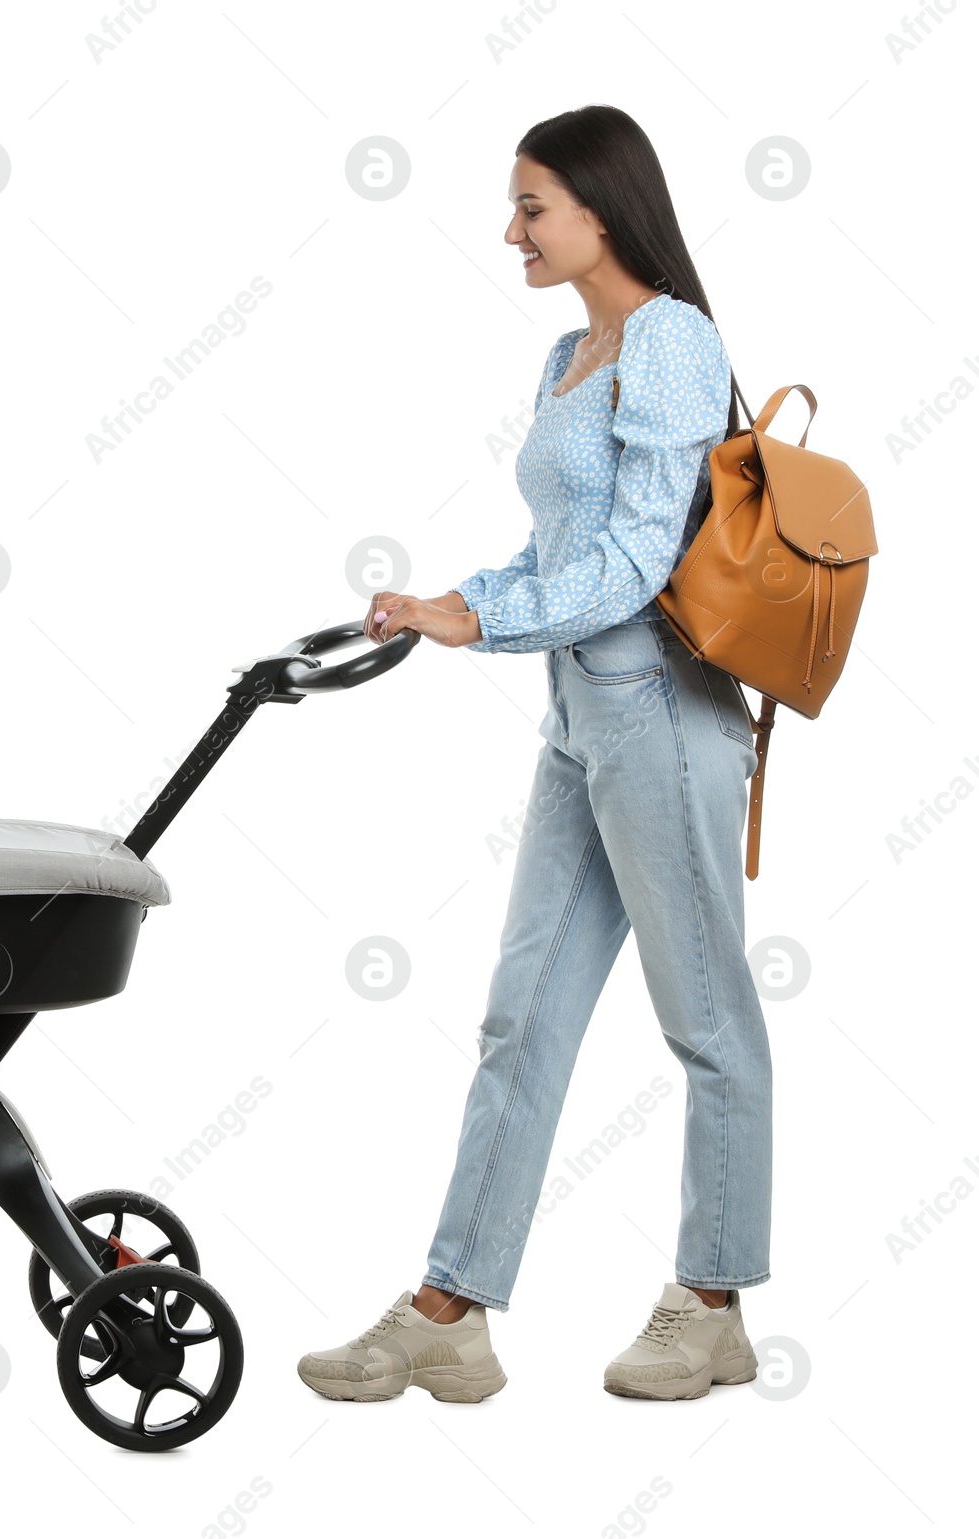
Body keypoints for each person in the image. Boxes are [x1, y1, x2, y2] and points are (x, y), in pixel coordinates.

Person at [297, 104, 770, 1404]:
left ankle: (713, 1303)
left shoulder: (671, 340)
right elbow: (561, 547)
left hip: (665, 719)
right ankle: (452, 1309)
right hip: (578, 718)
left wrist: (480, 622)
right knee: (522, 1019)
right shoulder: (574, 348)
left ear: (602, 211)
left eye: (532, 206)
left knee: (709, 1021)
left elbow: (630, 565)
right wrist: (445, 598)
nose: (511, 230)